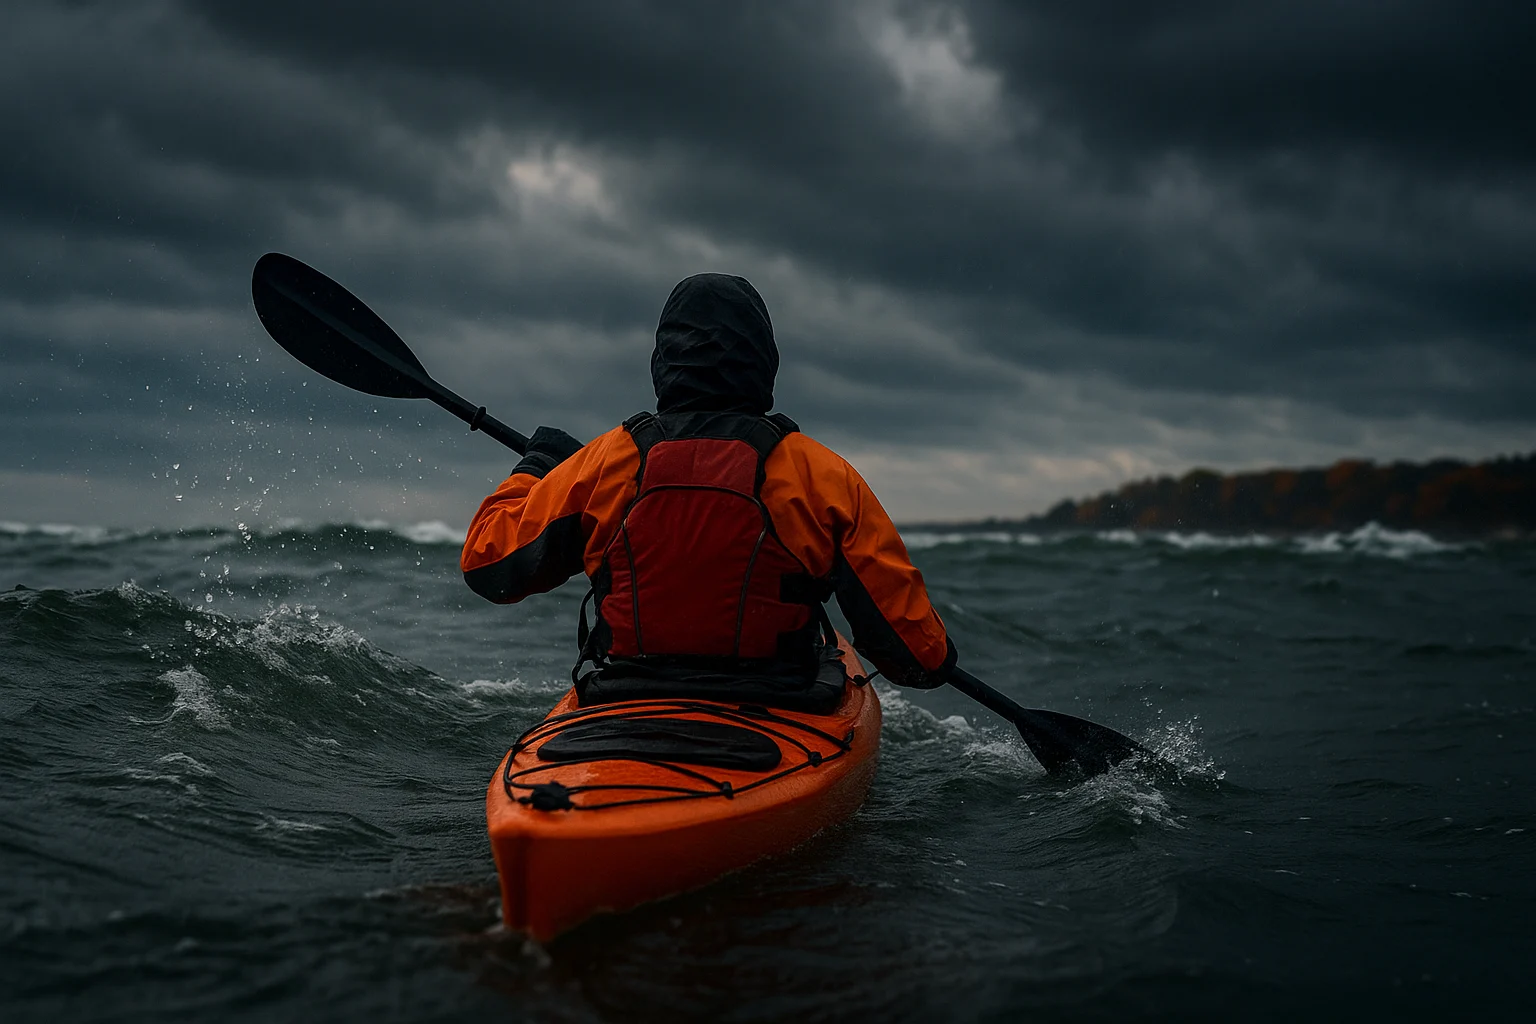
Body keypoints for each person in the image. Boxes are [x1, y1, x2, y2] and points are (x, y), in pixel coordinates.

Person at [460, 273, 956, 703]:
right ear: (765, 360)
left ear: (662, 359)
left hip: (627, 694)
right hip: (781, 701)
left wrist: (537, 467)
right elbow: (918, 657)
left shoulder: (607, 462)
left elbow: (488, 567)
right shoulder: (821, 475)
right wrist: (938, 657)